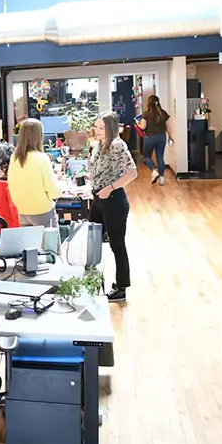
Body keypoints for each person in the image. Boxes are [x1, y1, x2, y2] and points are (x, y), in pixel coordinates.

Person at [88, 111, 137, 303]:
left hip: (114, 200)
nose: (98, 131)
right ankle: (92, 282)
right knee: (93, 240)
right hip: (98, 199)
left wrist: (109, 189)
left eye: (102, 128)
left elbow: (132, 173)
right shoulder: (99, 145)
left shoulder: (117, 145)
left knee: (117, 244)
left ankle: (121, 287)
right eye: (97, 127)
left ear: (111, 128)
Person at [7, 118, 62, 228]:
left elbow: (11, 185)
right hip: (43, 211)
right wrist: (60, 186)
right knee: (51, 240)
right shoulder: (42, 158)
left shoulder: (14, 158)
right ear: (39, 136)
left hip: (23, 211)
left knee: (29, 239)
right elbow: (53, 191)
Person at [139, 94, 173, 186]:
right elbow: (168, 127)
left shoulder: (146, 114)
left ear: (149, 103)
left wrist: (138, 124)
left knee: (147, 156)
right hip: (162, 137)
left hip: (150, 137)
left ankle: (154, 171)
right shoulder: (163, 113)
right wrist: (170, 137)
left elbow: (143, 127)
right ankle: (161, 178)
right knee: (160, 157)